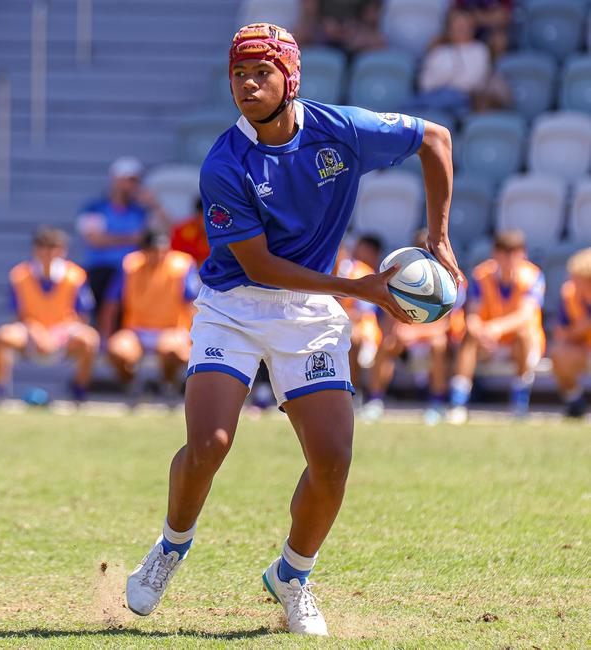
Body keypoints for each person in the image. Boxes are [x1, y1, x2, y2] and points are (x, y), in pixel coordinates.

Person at [125, 23, 460, 636]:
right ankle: (171, 547)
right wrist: (361, 289)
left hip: (307, 314)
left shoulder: (342, 130)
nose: (247, 85)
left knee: (332, 459)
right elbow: (258, 266)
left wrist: (437, 236)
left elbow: (434, 139)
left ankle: (292, 576)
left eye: (260, 73)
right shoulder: (225, 163)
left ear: (291, 79)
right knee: (211, 444)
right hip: (235, 304)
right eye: (237, 74)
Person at [365, 230, 466, 425]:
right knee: (387, 344)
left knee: (438, 344)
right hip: (405, 337)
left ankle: (438, 402)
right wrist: (399, 333)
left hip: (431, 337)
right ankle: (374, 400)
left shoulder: (453, 279)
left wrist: (415, 333)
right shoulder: (398, 277)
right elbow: (389, 319)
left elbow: (445, 325)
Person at [448, 230, 545, 424]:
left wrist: (496, 328)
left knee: (524, 335)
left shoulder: (533, 276)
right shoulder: (481, 274)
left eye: (515, 253)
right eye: (505, 252)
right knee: (469, 337)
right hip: (488, 340)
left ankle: (519, 405)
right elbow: (473, 314)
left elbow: (525, 316)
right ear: (495, 253)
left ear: (523, 254)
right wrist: (479, 330)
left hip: (519, 342)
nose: (509, 258)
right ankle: (457, 404)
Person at [0, 227, 99, 402]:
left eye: (54, 247)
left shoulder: (75, 275)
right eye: (44, 247)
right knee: (3, 336)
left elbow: (82, 316)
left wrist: (60, 333)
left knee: (90, 339)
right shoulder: (20, 275)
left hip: (65, 331)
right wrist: (35, 330)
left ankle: (79, 391)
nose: (49, 253)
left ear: (63, 250)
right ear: (35, 249)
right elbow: (18, 314)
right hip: (30, 331)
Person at [100, 231, 199, 398]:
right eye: (154, 250)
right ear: (143, 251)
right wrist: (106, 335)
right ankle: (131, 384)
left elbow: (193, 303)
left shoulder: (182, 265)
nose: (159, 255)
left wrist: (194, 337)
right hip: (136, 330)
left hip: (171, 328)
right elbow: (111, 303)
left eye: (163, 250)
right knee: (117, 351)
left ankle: (167, 383)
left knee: (174, 352)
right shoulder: (130, 265)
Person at [76, 156, 166, 328]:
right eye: (128, 180)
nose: (132, 185)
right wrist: (131, 238)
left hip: (133, 271)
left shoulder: (141, 210)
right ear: (116, 179)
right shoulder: (95, 207)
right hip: (102, 270)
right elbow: (94, 239)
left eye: (135, 181)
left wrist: (155, 205)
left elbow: (167, 230)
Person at [411, 8, 492, 117]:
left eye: (464, 27)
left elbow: (473, 82)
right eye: (457, 27)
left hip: (464, 100)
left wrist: (445, 79)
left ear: (472, 29)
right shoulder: (439, 51)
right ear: (450, 29)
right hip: (432, 97)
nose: (461, 30)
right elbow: (425, 83)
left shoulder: (479, 50)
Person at [335, 240, 383, 401]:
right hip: (331, 324)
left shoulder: (362, 272)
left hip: (363, 330)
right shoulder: (321, 271)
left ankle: (350, 393)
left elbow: (363, 314)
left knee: (352, 338)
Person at [550, 248, 591, 418]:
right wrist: (579, 330)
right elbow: (560, 334)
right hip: (583, 350)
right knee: (559, 353)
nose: (573, 282)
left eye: (579, 279)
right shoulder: (570, 293)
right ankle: (575, 400)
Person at [170, 198, 210, 268]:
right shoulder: (183, 231)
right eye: (203, 216)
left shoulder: (222, 233)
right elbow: (175, 256)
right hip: (186, 272)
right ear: (197, 215)